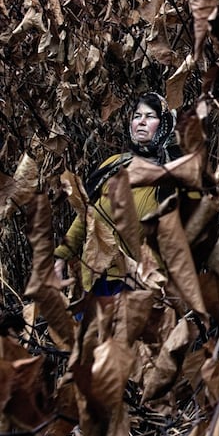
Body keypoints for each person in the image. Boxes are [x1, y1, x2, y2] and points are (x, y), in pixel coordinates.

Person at [54, 92, 180, 295]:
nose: (141, 122)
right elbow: (86, 216)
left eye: (150, 116)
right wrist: (61, 257)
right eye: (137, 116)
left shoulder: (171, 179)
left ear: (164, 124)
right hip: (95, 278)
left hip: (137, 287)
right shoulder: (113, 165)